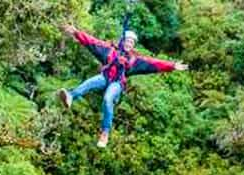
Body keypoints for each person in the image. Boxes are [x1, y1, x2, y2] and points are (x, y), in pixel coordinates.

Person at [58, 24, 189, 148]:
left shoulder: (134, 61)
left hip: (117, 83)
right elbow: (92, 42)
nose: (129, 44)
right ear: (122, 41)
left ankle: (105, 133)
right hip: (105, 77)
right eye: (127, 41)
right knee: (88, 83)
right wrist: (76, 32)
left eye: (131, 43)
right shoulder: (110, 51)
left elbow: (153, 63)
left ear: (133, 45)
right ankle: (70, 96)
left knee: (107, 98)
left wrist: (172, 66)